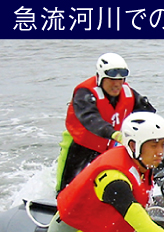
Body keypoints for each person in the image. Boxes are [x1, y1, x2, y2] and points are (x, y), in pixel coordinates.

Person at [56, 51, 156, 192]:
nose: (116, 84)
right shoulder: (84, 94)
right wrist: (114, 134)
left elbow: (149, 113)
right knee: (67, 187)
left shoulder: (128, 93)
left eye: (121, 79)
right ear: (100, 78)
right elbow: (91, 120)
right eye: (111, 80)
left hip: (107, 147)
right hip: (79, 146)